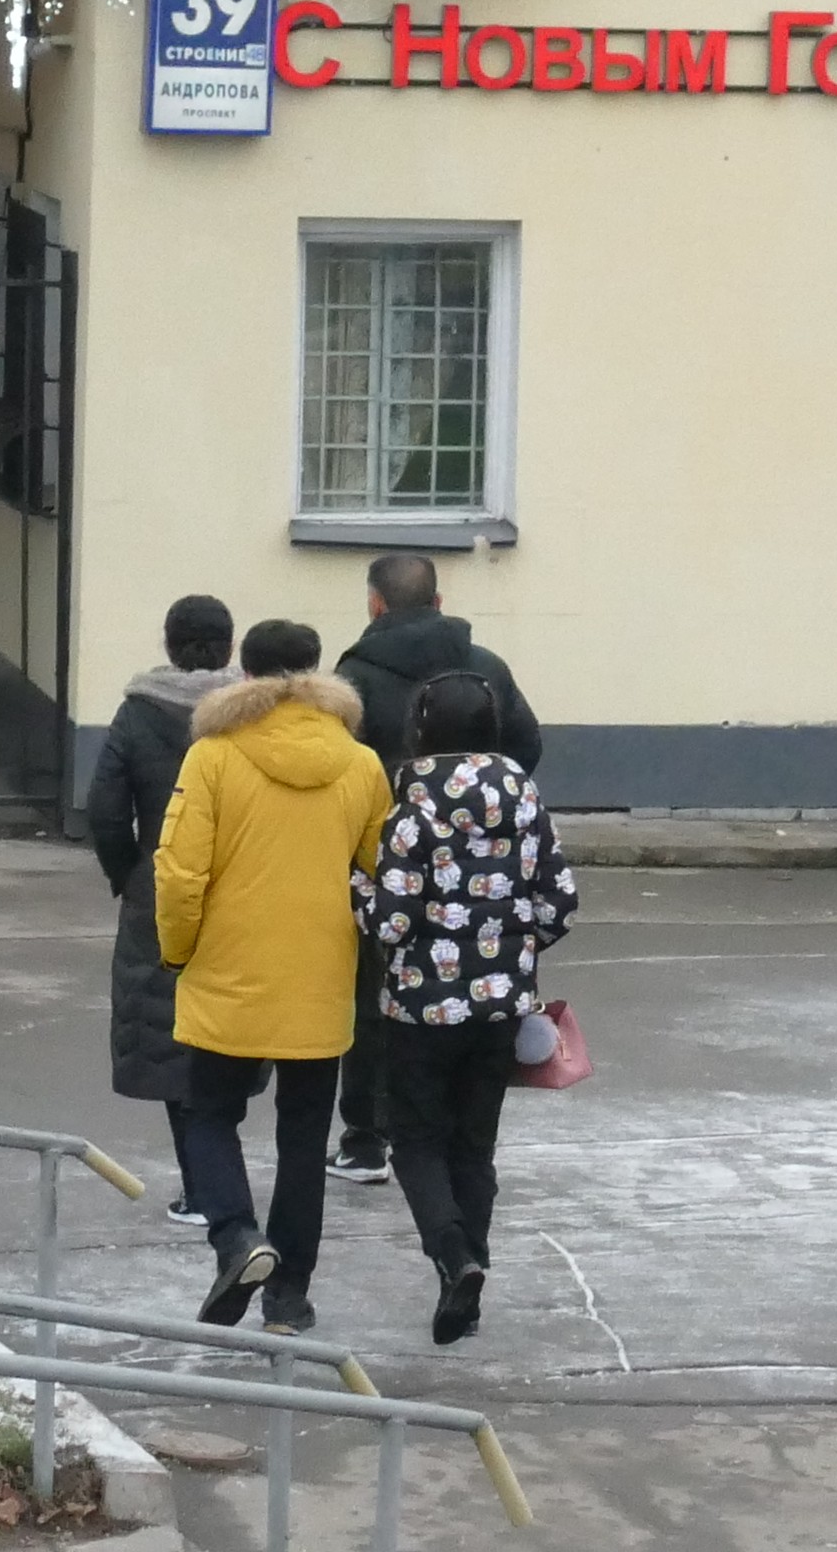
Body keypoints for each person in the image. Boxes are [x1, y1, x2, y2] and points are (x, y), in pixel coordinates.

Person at [148, 617, 389, 1334]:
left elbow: (180, 871)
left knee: (208, 1111)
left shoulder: (214, 757)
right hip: (319, 974)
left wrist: (179, 950)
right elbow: (381, 868)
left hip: (228, 965)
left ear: (243, 676)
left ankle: (236, 1237)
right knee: (305, 1138)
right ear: (318, 674)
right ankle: (290, 1297)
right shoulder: (360, 763)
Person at [355, 664, 576, 1344]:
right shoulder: (524, 797)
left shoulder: (410, 806)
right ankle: (470, 1280)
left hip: (421, 1008)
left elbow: (389, 922)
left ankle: (453, 1258)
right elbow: (558, 902)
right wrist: (508, 946)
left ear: (419, 729)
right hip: (502, 1006)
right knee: (474, 1148)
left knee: (416, 1140)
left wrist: (354, 890)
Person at [331, 553, 538, 1178]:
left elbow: (342, 761)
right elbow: (527, 744)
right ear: (440, 602)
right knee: (469, 982)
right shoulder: (485, 666)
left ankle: (367, 1137)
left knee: (376, 991)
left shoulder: (354, 674)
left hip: (387, 850)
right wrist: (488, 815)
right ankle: (449, 1133)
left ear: (375, 604)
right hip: (482, 863)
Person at [85, 594, 238, 1210]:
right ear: (229, 646)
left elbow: (104, 805)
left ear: (169, 645)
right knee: (232, 1023)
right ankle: (228, 1179)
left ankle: (201, 1187)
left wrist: (129, 872)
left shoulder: (138, 711)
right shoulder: (247, 712)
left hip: (161, 880)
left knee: (170, 1029)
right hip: (237, 880)